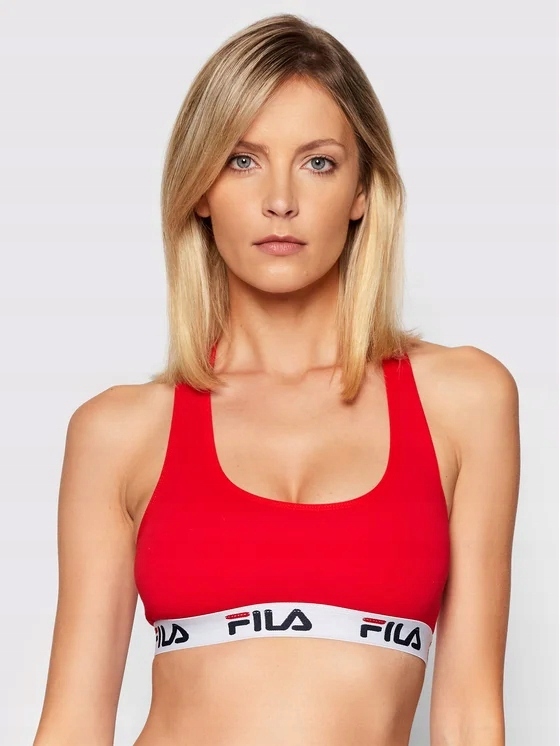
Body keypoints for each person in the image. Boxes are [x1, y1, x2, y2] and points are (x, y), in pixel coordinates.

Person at [32, 13, 520, 746]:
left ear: (362, 190)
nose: (280, 200)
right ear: (200, 188)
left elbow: (470, 718)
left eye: (318, 162)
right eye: (242, 160)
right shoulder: (119, 431)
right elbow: (72, 725)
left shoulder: (464, 401)